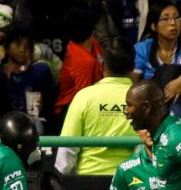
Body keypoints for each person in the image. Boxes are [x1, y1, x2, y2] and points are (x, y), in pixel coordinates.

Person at [55, 36, 136, 176]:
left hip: (88, 183)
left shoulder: (84, 97)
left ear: (102, 64)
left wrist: (61, 181)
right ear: (133, 67)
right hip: (132, 182)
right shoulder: (142, 99)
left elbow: (66, 150)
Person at [131, 0, 181, 134]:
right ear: (154, 26)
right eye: (166, 19)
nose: (173, 23)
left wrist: (180, 82)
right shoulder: (143, 48)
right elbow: (133, 83)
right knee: (168, 75)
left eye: (176, 17)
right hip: (156, 103)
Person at [53, 5, 103, 120]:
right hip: (69, 111)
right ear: (93, 28)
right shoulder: (83, 62)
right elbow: (83, 100)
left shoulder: (94, 45)